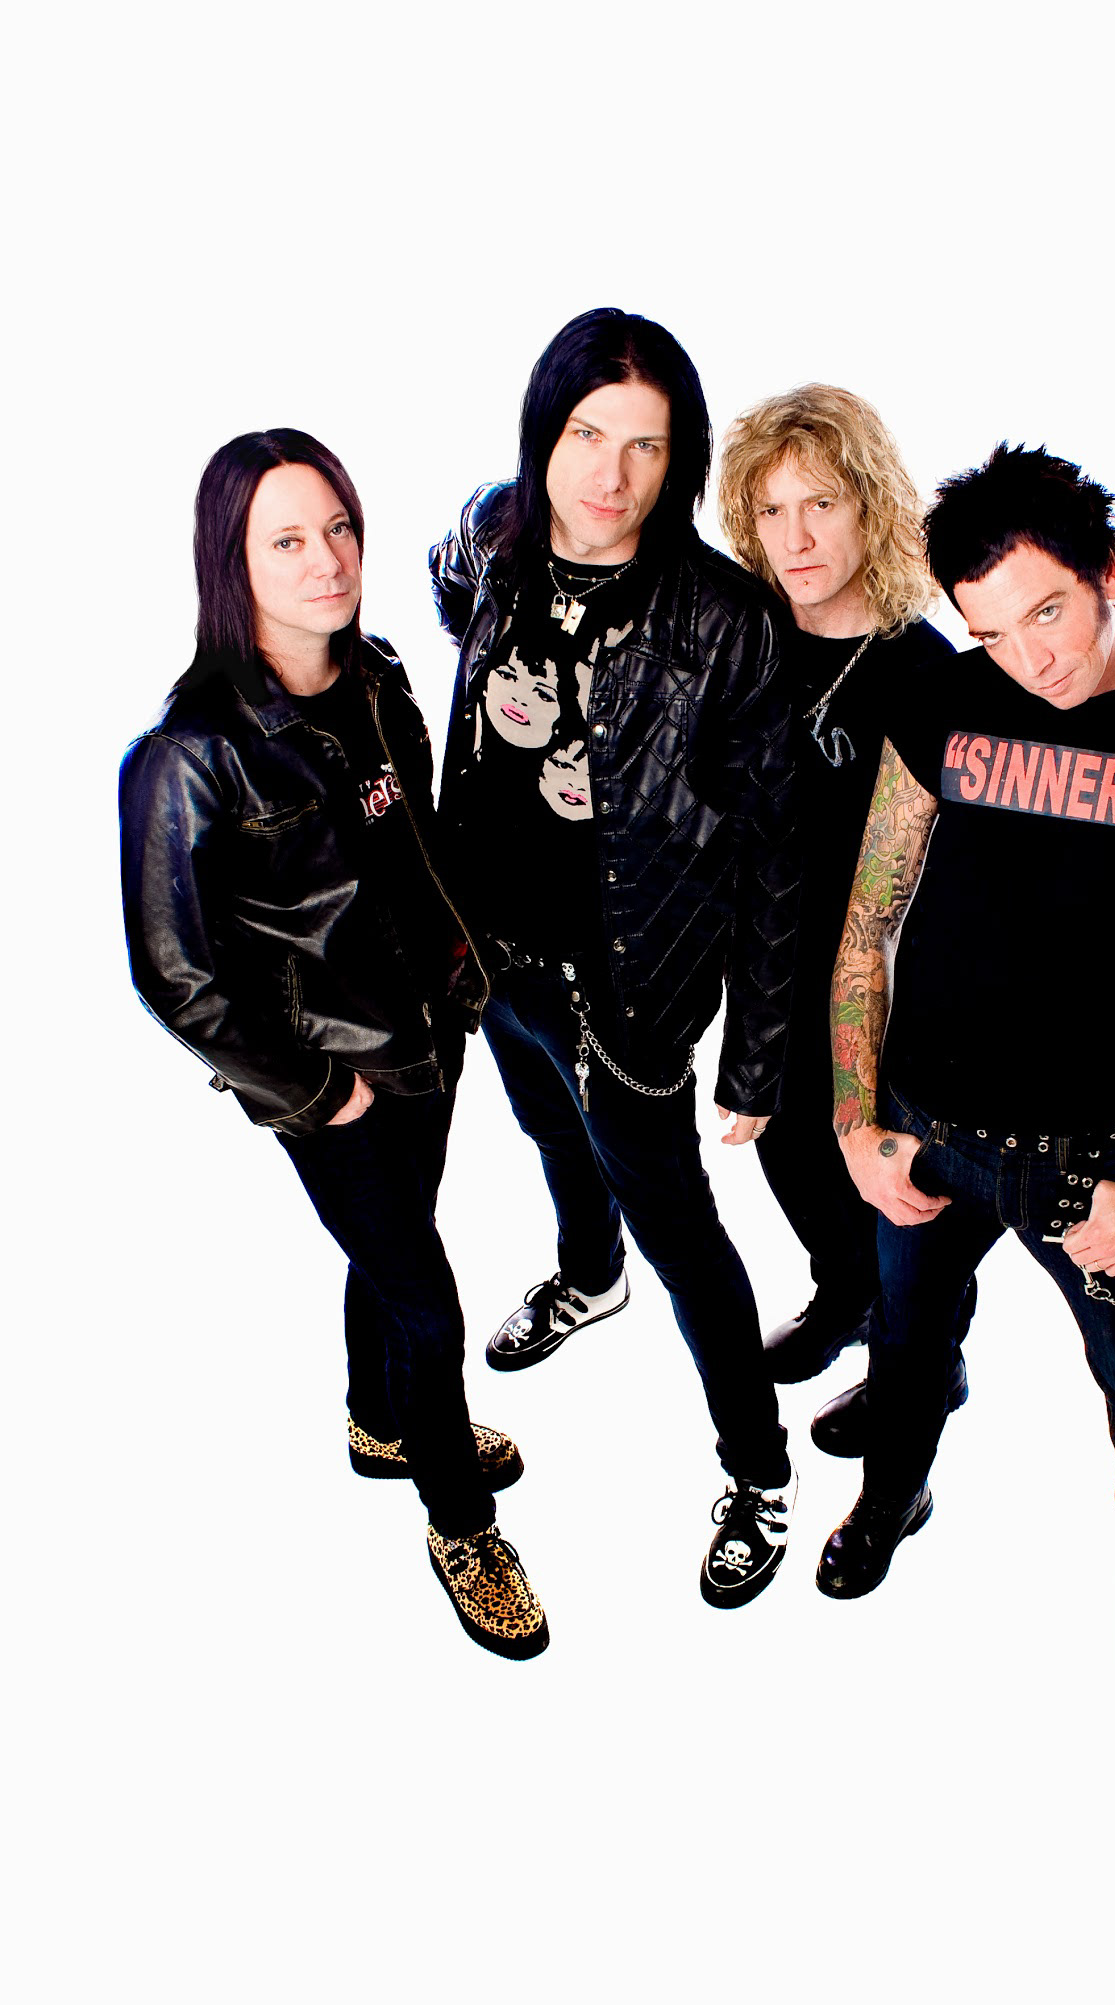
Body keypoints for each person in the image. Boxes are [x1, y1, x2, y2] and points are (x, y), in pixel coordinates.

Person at [822, 442, 1115, 1682]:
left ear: (1109, 575)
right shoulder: (942, 704)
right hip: (925, 1125)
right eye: (990, 630)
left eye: (1047, 611)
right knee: (905, 1348)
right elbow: (867, 921)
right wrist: (856, 1122)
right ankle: (893, 1494)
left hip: (1101, 1159)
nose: (1030, 657)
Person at [119, 428, 547, 1661]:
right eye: (289, 541)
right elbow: (175, 976)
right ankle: (459, 1521)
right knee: (430, 1303)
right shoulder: (188, 756)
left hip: (433, 1035)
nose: (328, 561)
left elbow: (418, 848)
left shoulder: (378, 678)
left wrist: (469, 979)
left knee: (391, 1251)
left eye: (340, 528)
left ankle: (379, 1422)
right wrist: (317, 1091)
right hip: (335, 1080)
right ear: (231, 562)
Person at [430, 310, 800, 1609]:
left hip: (628, 990)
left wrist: (755, 1055)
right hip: (493, 955)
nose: (611, 473)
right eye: (588, 434)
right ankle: (589, 1280)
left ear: (678, 458)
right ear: (545, 432)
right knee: (545, 1128)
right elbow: (452, 602)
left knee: (682, 1231)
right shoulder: (493, 539)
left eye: (645, 445)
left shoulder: (726, 621)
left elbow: (773, 856)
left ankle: (757, 1473)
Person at [717, 383, 975, 1406]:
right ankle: (846, 1296)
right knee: (787, 1151)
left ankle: (927, 1358)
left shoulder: (926, 673)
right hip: (768, 967)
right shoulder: (745, 639)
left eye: (820, 504)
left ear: (870, 506)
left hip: (886, 984)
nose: (796, 537)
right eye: (772, 510)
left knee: (898, 1182)